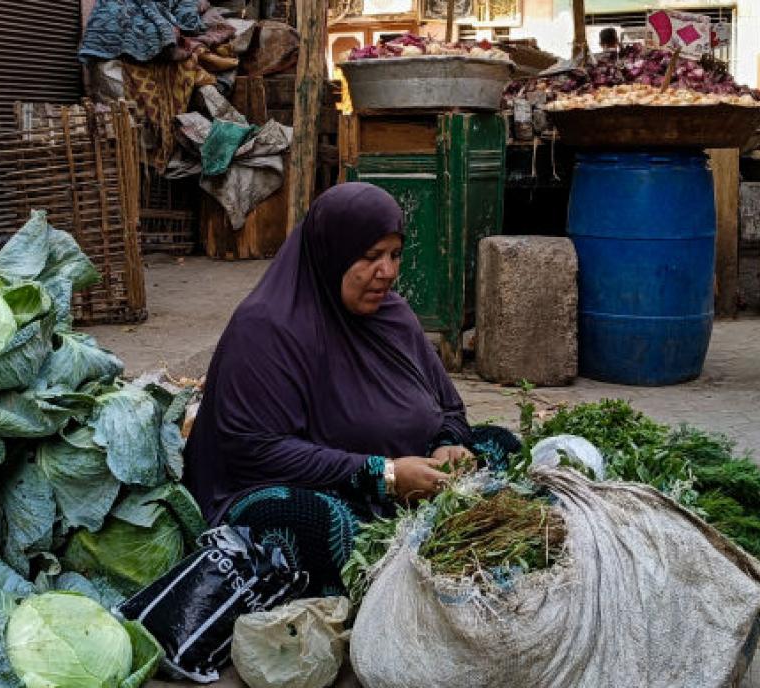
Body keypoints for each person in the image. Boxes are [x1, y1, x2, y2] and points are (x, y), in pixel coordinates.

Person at [182, 182, 519, 597]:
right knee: (317, 525)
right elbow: (256, 450)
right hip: (298, 487)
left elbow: (448, 406)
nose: (389, 272)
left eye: (395, 255)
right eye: (370, 257)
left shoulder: (394, 317)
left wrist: (449, 445)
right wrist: (385, 475)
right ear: (332, 253)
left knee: (500, 445)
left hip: (408, 476)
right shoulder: (267, 328)